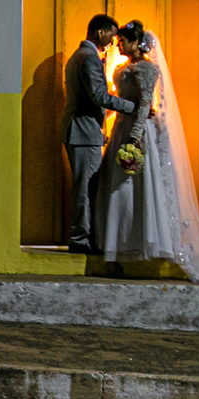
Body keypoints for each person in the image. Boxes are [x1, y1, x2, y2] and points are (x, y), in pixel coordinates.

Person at [95, 20, 199, 283]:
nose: (119, 46)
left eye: (123, 41)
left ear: (136, 42)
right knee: (119, 186)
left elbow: (144, 103)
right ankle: (120, 241)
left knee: (138, 185)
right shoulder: (120, 68)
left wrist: (135, 136)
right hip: (121, 127)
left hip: (138, 130)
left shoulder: (147, 68)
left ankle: (143, 241)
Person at [61, 14, 136, 254]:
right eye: (112, 38)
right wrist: (131, 106)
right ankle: (80, 239)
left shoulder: (79, 55)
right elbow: (99, 96)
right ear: (100, 33)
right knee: (86, 188)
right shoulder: (88, 58)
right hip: (83, 132)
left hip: (79, 130)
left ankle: (83, 236)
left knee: (85, 186)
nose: (113, 44)